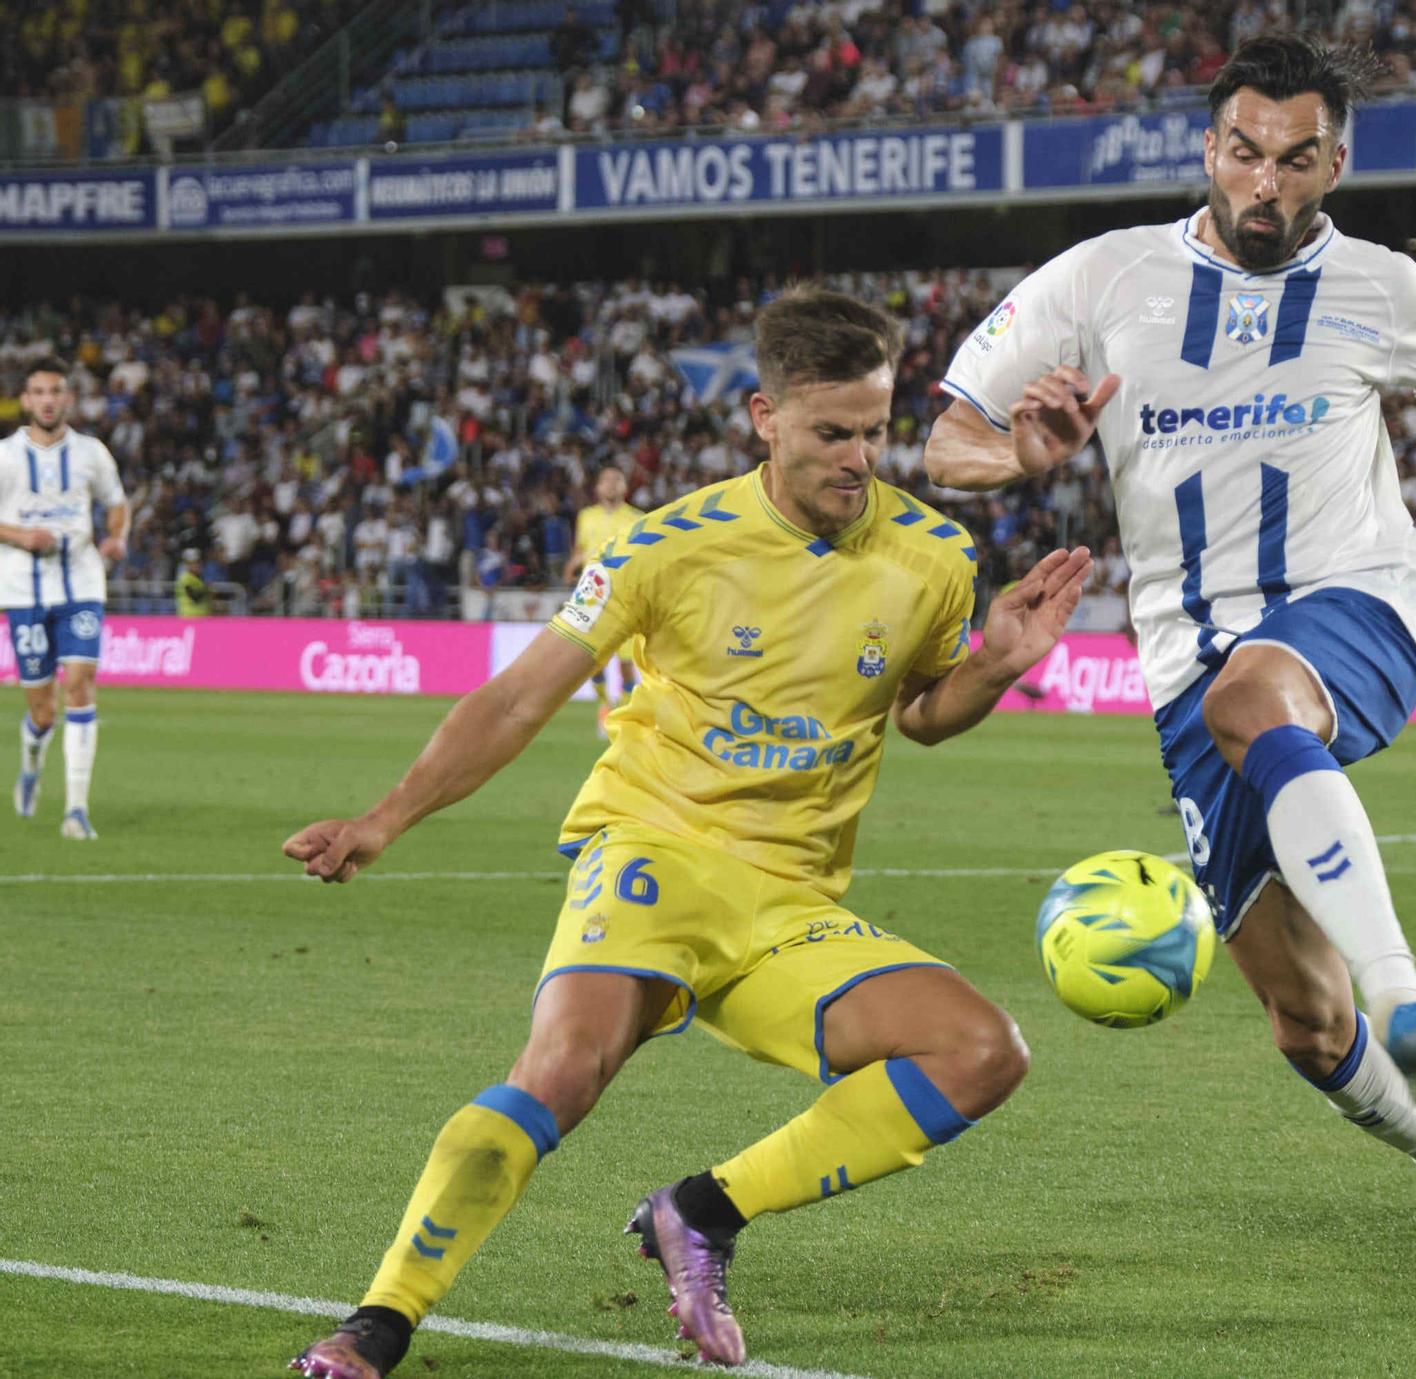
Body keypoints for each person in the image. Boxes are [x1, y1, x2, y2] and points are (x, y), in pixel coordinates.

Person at [925, 34, 1416, 1316]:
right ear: (1209, 150)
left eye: (1295, 158)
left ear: (1336, 160)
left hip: (1358, 603)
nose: (1264, 182)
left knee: (1255, 696)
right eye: (1243, 152)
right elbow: (949, 439)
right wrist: (1024, 457)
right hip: (1185, 663)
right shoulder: (1103, 276)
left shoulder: (1379, 285)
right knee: (1306, 1026)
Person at [284, 288, 1092, 1378]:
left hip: (791, 901)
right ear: (763, 416)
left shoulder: (933, 553)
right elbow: (518, 697)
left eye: (875, 428)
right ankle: (378, 1319)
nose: (860, 457)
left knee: (980, 1050)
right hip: (653, 852)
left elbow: (919, 716)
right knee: (563, 1068)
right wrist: (384, 820)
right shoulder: (669, 545)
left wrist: (990, 665)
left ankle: (701, 1209)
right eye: (831, 432)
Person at [1, 357, 130, 840]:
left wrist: (116, 537)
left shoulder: (91, 453)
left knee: (80, 682)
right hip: (21, 589)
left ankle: (76, 810)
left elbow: (117, 504)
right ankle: (32, 761)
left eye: (56, 391)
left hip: (81, 582)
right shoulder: (5, 457)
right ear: (26, 400)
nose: (48, 400)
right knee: (42, 710)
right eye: (38, 392)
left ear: (68, 398)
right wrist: (19, 535)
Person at [565, 465, 645, 737]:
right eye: (606, 480)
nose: (611, 485)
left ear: (625, 487)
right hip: (591, 598)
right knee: (592, 661)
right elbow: (581, 548)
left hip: (625, 598)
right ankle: (604, 704)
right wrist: (571, 567)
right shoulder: (586, 517)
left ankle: (621, 713)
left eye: (616, 480)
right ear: (597, 488)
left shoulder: (637, 518)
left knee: (626, 666)